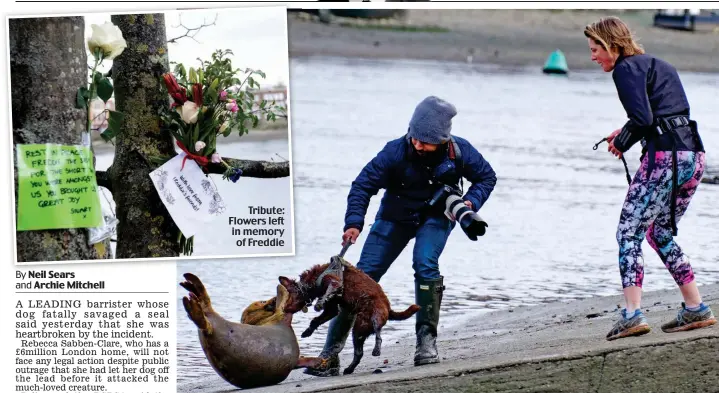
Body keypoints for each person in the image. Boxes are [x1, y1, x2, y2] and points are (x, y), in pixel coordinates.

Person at [304, 96, 497, 376]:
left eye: (425, 141)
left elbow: (487, 177)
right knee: (361, 278)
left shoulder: (461, 151)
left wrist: (470, 203)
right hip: (394, 217)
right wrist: (354, 222)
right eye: (414, 138)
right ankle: (329, 356)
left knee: (425, 263)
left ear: (443, 139)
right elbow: (362, 186)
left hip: (436, 217)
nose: (417, 145)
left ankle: (426, 345)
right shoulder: (394, 152)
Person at [584, 16, 716, 341]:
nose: (593, 56)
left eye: (595, 49)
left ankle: (631, 315)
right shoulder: (659, 64)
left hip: (665, 159)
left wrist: (623, 140)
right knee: (659, 233)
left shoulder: (625, 68)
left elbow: (642, 118)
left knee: (628, 233)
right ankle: (696, 307)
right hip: (692, 156)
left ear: (612, 45)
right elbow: (662, 116)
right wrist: (627, 132)